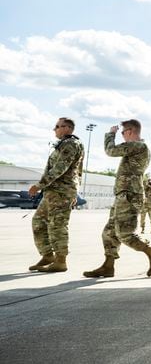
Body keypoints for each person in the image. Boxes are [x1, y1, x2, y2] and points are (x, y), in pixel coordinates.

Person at [82, 120, 151, 278]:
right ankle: (108, 266)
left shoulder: (138, 146)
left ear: (130, 131)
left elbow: (111, 150)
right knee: (109, 232)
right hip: (124, 194)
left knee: (125, 234)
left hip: (129, 195)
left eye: (122, 132)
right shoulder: (136, 148)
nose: (121, 135)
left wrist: (110, 134)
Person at [28, 117, 84, 273]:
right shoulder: (62, 144)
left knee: (57, 225)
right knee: (38, 221)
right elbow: (78, 172)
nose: (55, 129)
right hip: (53, 192)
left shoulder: (71, 144)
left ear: (67, 128)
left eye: (57, 126)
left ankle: (61, 260)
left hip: (61, 192)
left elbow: (60, 168)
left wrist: (39, 185)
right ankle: (48, 256)